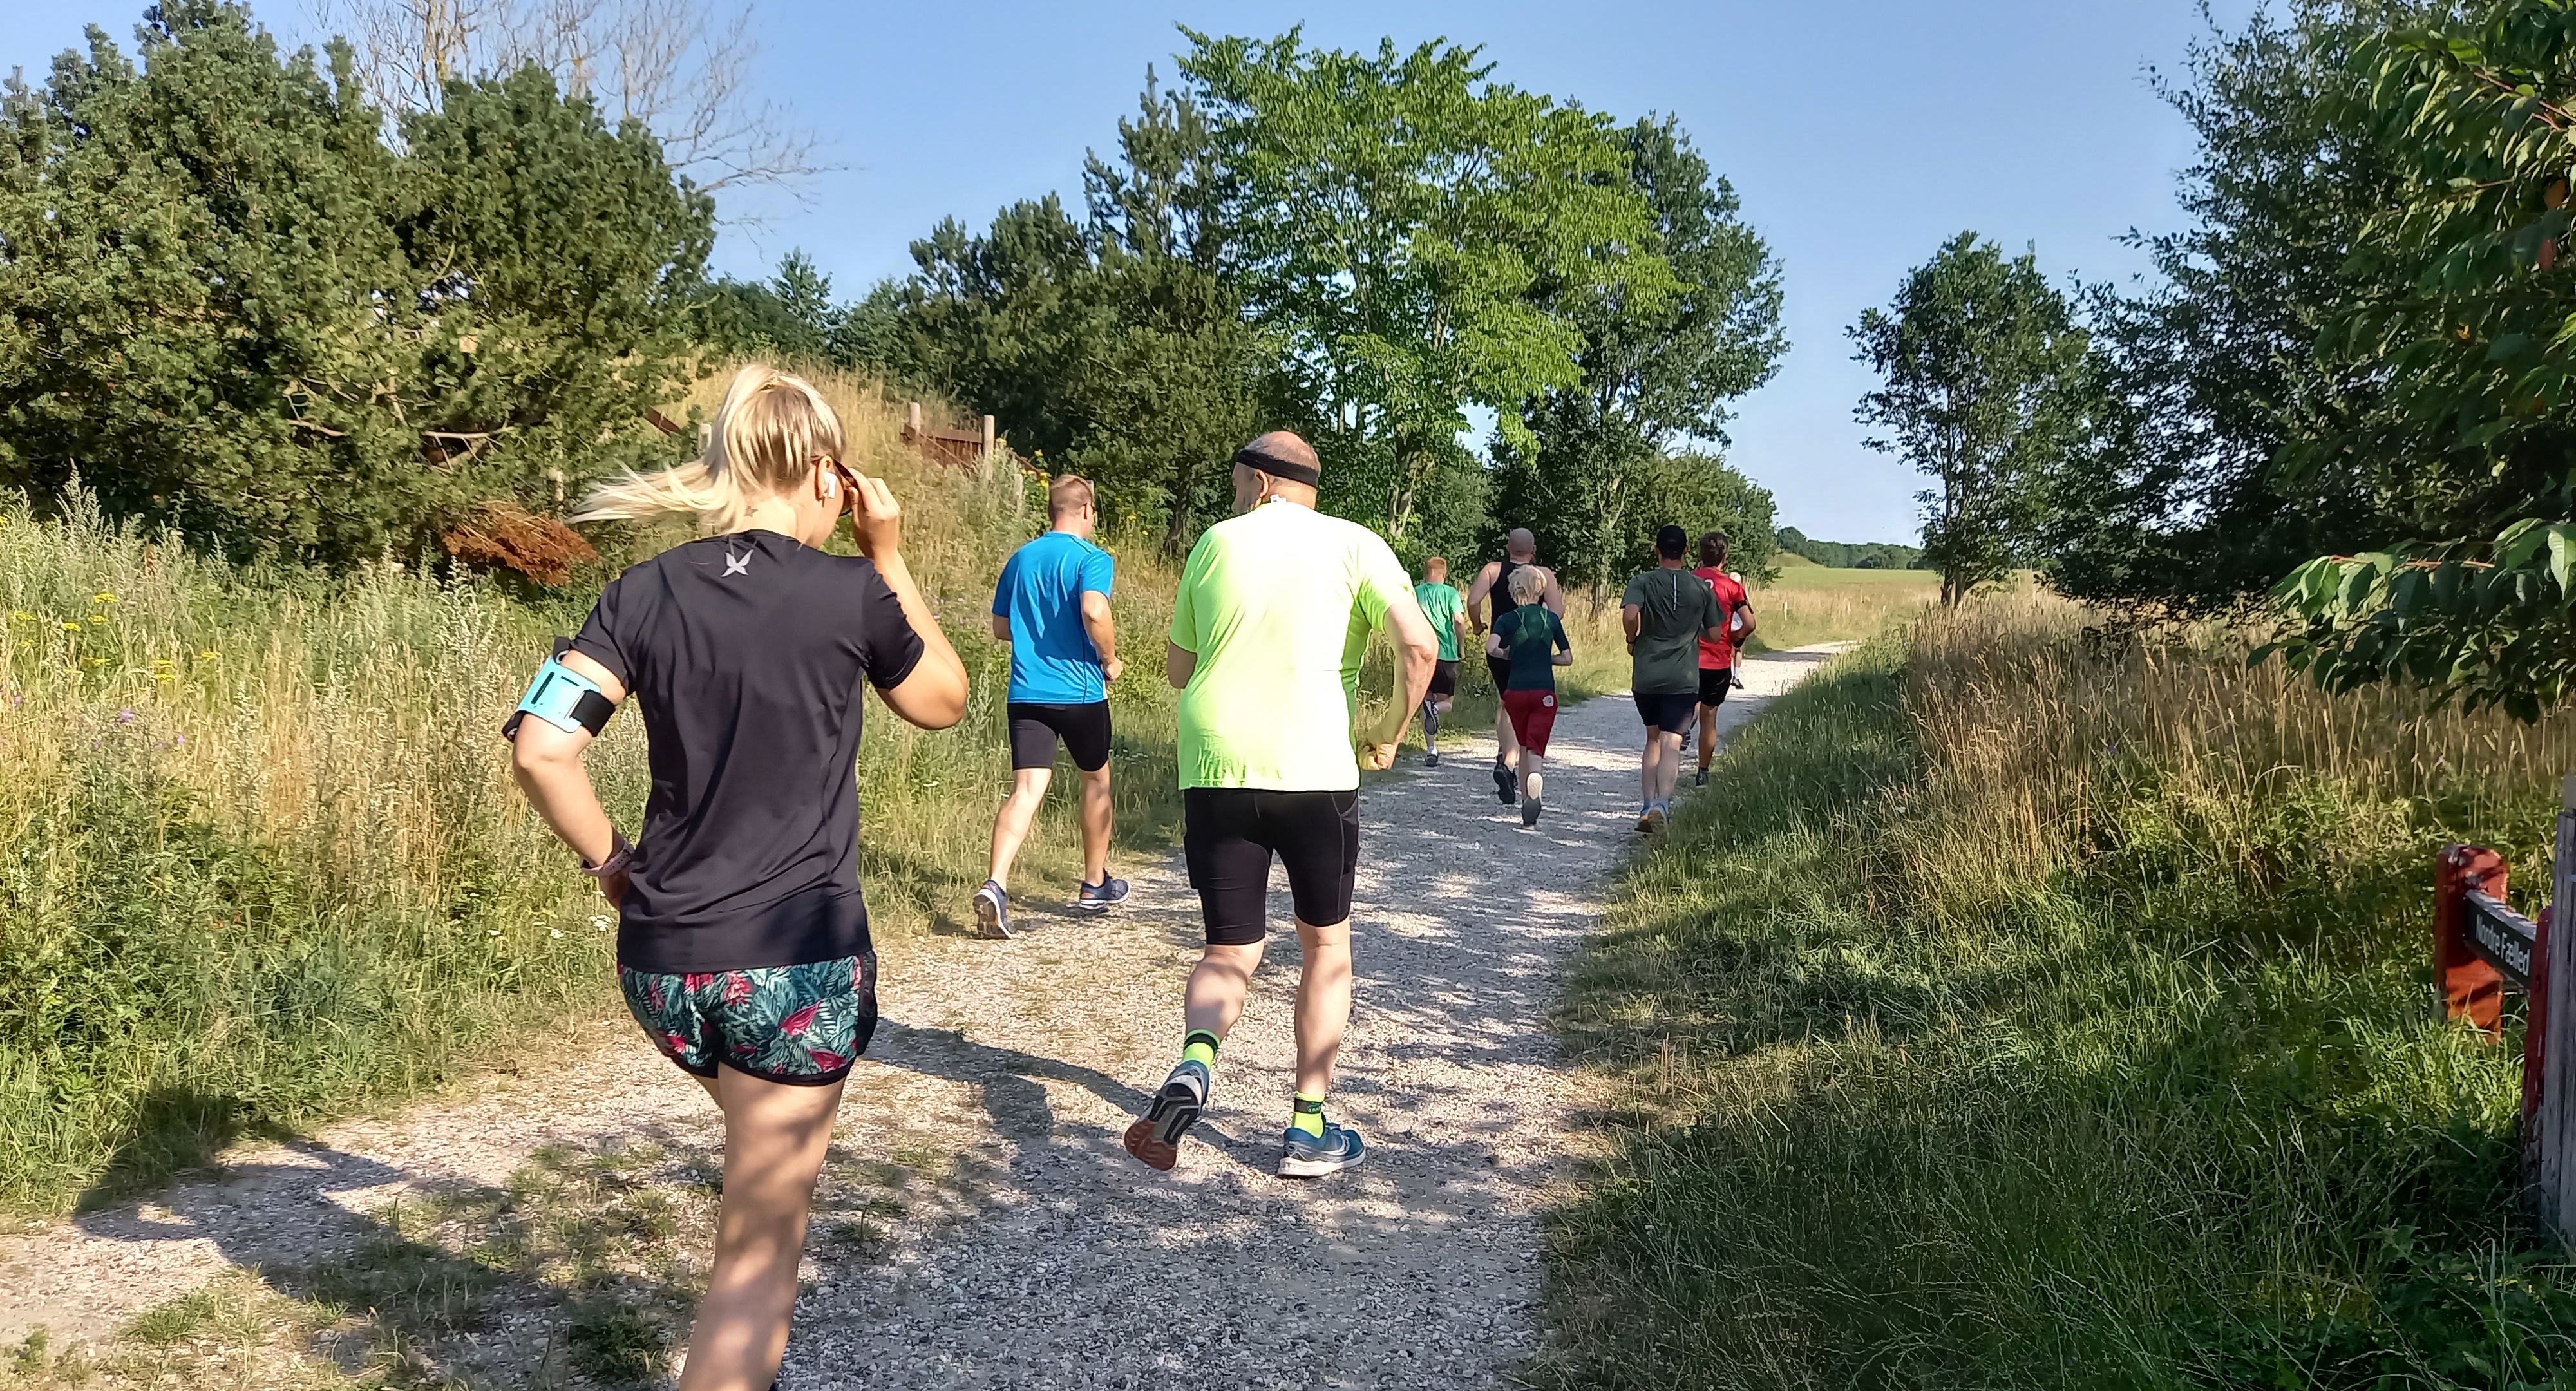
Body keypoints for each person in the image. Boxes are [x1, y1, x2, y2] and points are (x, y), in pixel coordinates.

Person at [511, 366, 969, 1391]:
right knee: (755, 1269)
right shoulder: (851, 592)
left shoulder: (641, 592)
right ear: (827, 474)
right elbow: (944, 701)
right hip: (792, 970)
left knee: (758, 1155)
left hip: (663, 966)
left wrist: (612, 864)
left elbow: (543, 749)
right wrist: (888, 556)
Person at [1124, 430, 1439, 1179]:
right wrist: (1392, 733)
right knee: (1325, 947)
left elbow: (1177, 670)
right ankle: (1306, 1128)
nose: (1234, 495)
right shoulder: (1357, 545)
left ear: (1262, 482)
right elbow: (1421, 647)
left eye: (1239, 481)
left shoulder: (1214, 543)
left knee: (1229, 948)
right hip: (1313, 768)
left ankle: (1194, 1065)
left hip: (1215, 766)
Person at [973, 475, 1127, 939]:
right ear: (1087, 510)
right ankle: (1094, 883)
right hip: (1080, 693)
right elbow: (1094, 610)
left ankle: (996, 884)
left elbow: (1001, 627)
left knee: (1026, 790)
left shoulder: (1021, 558)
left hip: (1026, 693)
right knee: (1096, 780)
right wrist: (1109, 658)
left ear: (1051, 511)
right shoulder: (1092, 558)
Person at [1622, 524, 1728, 834]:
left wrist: (1633, 638)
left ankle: (1646, 805)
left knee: (1652, 738)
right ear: (1686, 551)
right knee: (1672, 741)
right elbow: (1715, 633)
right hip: (1682, 677)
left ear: (1657, 550)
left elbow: (1630, 615)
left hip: (1647, 674)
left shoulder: (1641, 581)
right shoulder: (1700, 588)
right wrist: (1694, 629)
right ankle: (1662, 805)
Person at [1463, 529, 1566, 806]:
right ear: (1533, 549)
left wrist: (1477, 624)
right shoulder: (1543, 574)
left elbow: (1473, 601)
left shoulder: (1493, 570)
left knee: (1507, 701)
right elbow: (1557, 611)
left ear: (1508, 547)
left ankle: (1503, 756)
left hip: (1501, 648)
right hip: (1532, 648)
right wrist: (1543, 629)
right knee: (1515, 703)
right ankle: (1509, 761)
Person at [1485, 565, 1572, 828]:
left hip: (1516, 692)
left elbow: (1491, 647)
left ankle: (1526, 800)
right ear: (1541, 590)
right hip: (1544, 692)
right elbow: (1567, 658)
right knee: (1535, 748)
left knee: (1522, 745)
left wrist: (1506, 654)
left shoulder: (1508, 619)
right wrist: (1547, 659)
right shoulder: (1551, 620)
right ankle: (1536, 782)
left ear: (1514, 590)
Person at [1691, 531, 1757, 788]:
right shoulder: (1733, 587)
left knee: (1683, 709)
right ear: (1725, 558)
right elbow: (1749, 623)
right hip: (1717, 662)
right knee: (1710, 718)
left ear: (1700, 555)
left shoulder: (1689, 580)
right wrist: (1734, 638)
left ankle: (1680, 736)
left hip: (1687, 659)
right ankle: (1702, 772)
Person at [1411, 557, 1467, 766]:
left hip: (1422, 654)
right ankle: (1435, 708)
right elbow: (1459, 621)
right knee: (1446, 704)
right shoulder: (1450, 593)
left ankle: (1431, 750)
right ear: (1444, 574)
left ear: (1425, 573)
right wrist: (1461, 647)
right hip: (1445, 654)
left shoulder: (1415, 593)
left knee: (1426, 700)